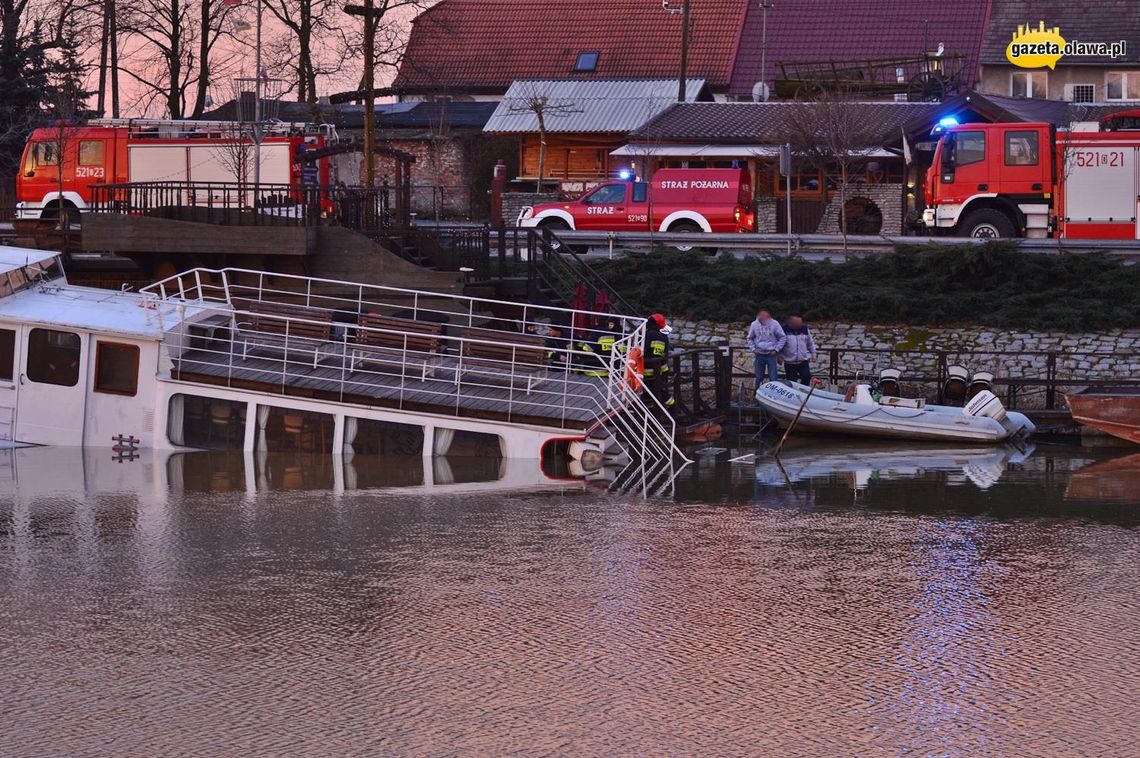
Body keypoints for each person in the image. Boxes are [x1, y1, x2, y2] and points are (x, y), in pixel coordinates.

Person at [746, 308, 785, 387]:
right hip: (759, 354)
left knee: (773, 378)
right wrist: (753, 349)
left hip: (771, 354)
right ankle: (757, 395)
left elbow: (782, 337)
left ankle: (773, 396)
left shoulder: (775, 324)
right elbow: (749, 338)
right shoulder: (754, 324)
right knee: (759, 377)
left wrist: (776, 349)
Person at [643, 313, 673, 408]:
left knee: (647, 393)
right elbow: (664, 353)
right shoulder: (663, 337)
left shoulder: (645, 336)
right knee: (660, 391)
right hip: (661, 370)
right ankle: (672, 409)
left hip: (646, 370)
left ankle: (651, 412)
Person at [781, 313, 817, 385]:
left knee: (807, 377)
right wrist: (779, 355)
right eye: (797, 323)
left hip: (803, 360)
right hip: (790, 362)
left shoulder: (805, 329)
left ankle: (803, 392)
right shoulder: (783, 330)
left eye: (800, 323)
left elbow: (810, 342)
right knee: (792, 381)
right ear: (791, 323)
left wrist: (813, 354)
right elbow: (779, 344)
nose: (799, 325)